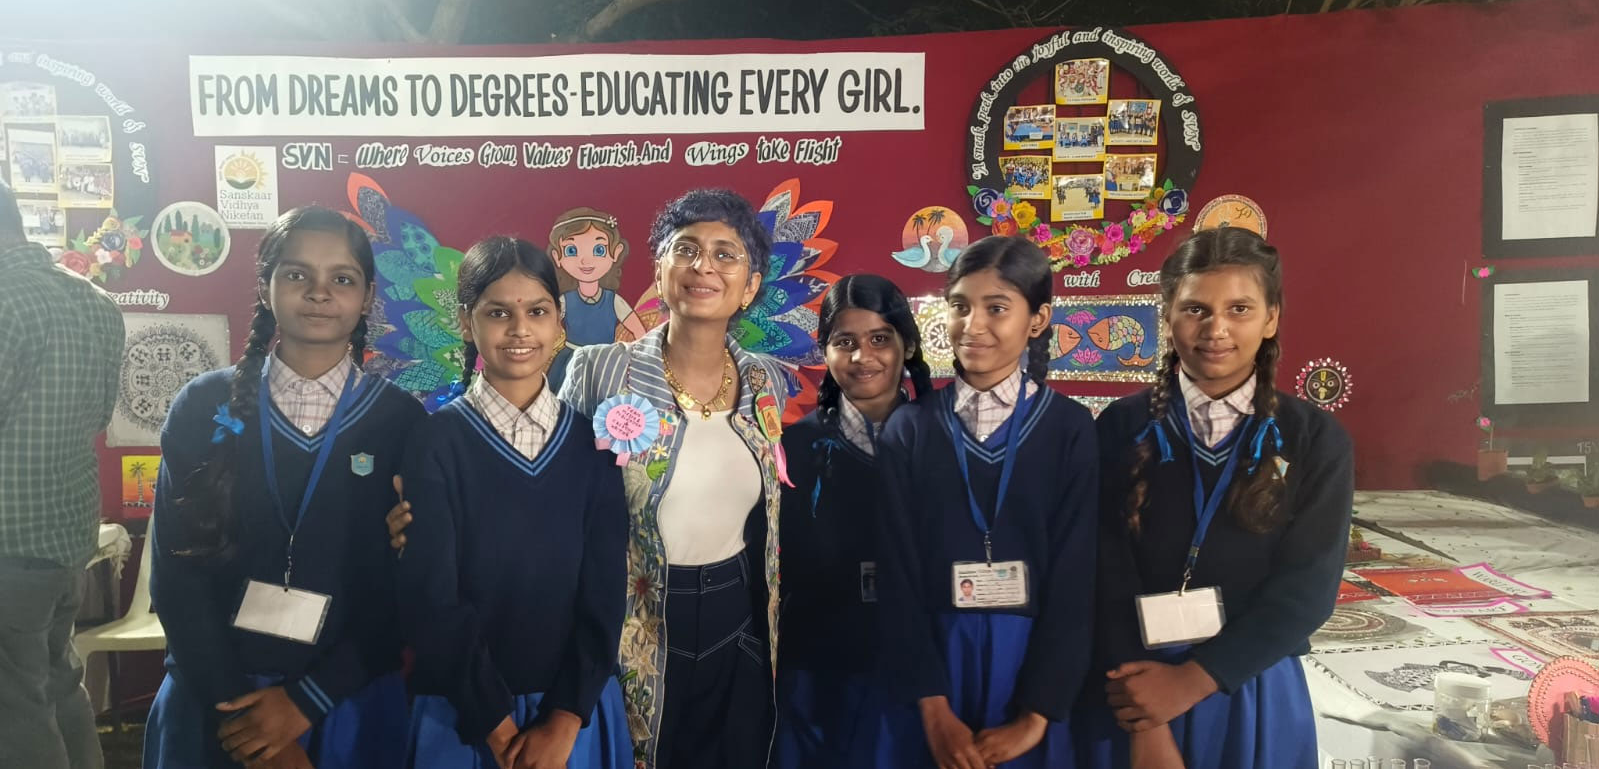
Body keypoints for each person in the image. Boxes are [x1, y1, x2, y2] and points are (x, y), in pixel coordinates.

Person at [391, 189, 789, 769]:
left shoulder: (763, 381)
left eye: (725, 254)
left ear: (750, 285)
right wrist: (419, 528)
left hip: (739, 618)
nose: (704, 266)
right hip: (635, 629)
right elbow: (541, 469)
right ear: (659, 269)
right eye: (686, 249)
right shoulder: (603, 370)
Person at [145, 206, 423, 769]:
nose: (319, 293)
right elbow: (175, 578)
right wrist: (241, 721)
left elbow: (404, 585)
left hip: (346, 704)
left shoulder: (402, 422)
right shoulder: (203, 405)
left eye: (341, 279)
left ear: (367, 297)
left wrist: (304, 704)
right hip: (216, 700)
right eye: (297, 274)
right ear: (265, 286)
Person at [1084, 227, 1354, 769]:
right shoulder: (1119, 427)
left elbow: (1307, 589)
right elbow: (1101, 571)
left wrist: (1194, 680)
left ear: (1271, 318)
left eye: (1239, 309)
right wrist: (1147, 719)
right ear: (1167, 315)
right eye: (1195, 310)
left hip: (1248, 684)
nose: (1216, 330)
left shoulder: (1314, 439)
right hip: (1131, 687)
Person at [398, 237, 630, 769]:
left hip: (571, 716)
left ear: (559, 323)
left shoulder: (592, 445)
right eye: (498, 312)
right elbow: (432, 598)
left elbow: (604, 595)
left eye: (537, 312)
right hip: (463, 714)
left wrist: (565, 719)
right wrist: (499, 732)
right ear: (466, 322)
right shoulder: (435, 442)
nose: (520, 329)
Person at [877, 234, 1097, 769]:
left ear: (1038, 320)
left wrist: (1037, 714)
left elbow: (1076, 578)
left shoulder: (1070, 428)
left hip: (1030, 669)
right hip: (931, 669)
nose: (972, 326)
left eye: (996, 308)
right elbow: (896, 574)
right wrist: (933, 708)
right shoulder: (910, 428)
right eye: (960, 306)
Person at [774, 274, 933, 769]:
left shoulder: (942, 440)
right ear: (825, 351)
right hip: (819, 675)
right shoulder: (794, 447)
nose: (863, 357)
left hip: (917, 671)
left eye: (880, 339)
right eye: (845, 342)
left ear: (908, 346)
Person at [0, 179, 122, 769]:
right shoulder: (96, 301)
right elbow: (99, 417)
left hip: (7, 544)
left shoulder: (4, 301)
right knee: (57, 683)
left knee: (15, 710)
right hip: (67, 537)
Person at [548, 208, 648, 346]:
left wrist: (639, 355)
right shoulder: (565, 301)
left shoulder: (613, 301)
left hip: (606, 356)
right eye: (571, 250)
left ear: (616, 252)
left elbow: (639, 331)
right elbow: (546, 327)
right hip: (572, 356)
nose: (585, 261)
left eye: (599, 250)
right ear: (557, 257)